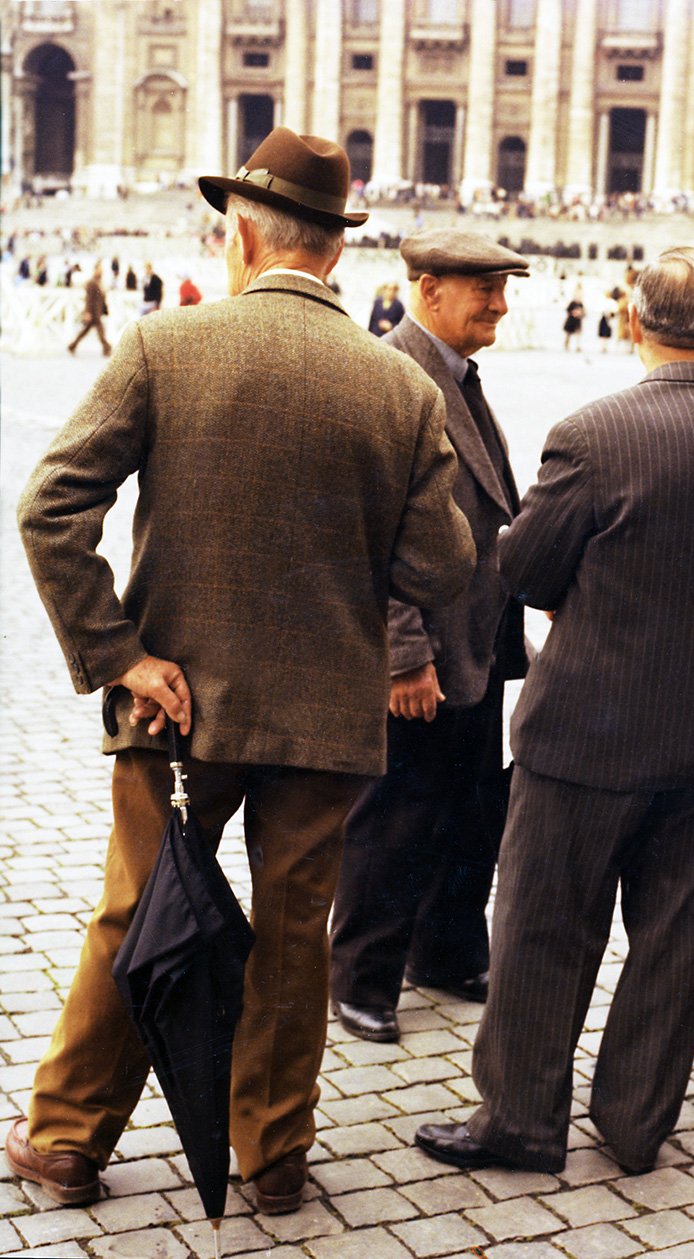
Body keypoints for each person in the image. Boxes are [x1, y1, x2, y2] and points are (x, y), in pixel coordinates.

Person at [6, 128, 474, 1216]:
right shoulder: (398, 386)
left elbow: (50, 507)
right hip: (324, 712)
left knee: (136, 910)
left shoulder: (168, 345)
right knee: (294, 930)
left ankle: (71, 1138)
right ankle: (271, 1157)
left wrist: (118, 650)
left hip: (177, 705)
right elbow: (442, 565)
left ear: (241, 234)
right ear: (334, 252)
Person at [413, 246, 694, 1175]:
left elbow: (526, 569)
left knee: (545, 928)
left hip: (583, 729)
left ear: (633, 322)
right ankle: (636, 1122)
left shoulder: (592, 434)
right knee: (672, 940)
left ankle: (520, 1116)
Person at [328, 229, 530, 1044]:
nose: (499, 303)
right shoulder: (392, 372)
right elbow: (367, 531)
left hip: (475, 644)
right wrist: (403, 652)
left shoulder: (456, 372)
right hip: (424, 655)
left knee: (470, 807)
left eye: (502, 287)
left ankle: (444, 948)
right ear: (427, 286)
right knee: (397, 818)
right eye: (482, 287)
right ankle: (362, 974)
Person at [67, 263, 112, 357]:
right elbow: (89, 299)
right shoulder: (92, 283)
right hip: (93, 311)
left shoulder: (99, 282)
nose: (101, 271)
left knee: (87, 330)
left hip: (98, 311)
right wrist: (87, 312)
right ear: (95, 270)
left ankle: (73, 345)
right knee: (99, 330)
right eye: (99, 269)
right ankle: (106, 347)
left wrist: (105, 310)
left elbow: (102, 298)